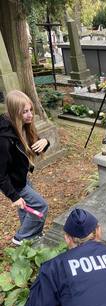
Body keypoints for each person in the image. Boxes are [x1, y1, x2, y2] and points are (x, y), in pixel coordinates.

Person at [0, 90, 49, 245]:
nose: (30, 115)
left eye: (30, 110)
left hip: (22, 176)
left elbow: (34, 146)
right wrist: (14, 196)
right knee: (41, 206)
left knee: (25, 208)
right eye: (25, 112)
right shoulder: (4, 139)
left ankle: (30, 238)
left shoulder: (23, 126)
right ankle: (21, 238)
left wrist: (45, 142)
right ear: (15, 113)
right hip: (14, 182)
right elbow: (0, 175)